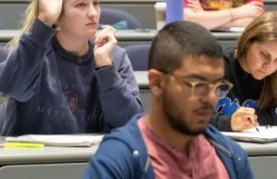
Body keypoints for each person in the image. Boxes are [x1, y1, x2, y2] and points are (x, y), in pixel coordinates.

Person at [84, 21, 254, 178]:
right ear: (157, 82)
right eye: (198, 85)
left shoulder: (231, 156)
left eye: (217, 85)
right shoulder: (116, 160)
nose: (210, 98)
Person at [0, 0, 143, 135]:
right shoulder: (34, 51)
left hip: (91, 160)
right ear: (58, 13)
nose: (93, 13)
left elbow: (131, 125)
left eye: (96, 3)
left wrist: (106, 69)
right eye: (81, 5)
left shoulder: (113, 56)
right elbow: (12, 87)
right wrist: (44, 21)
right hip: (31, 160)